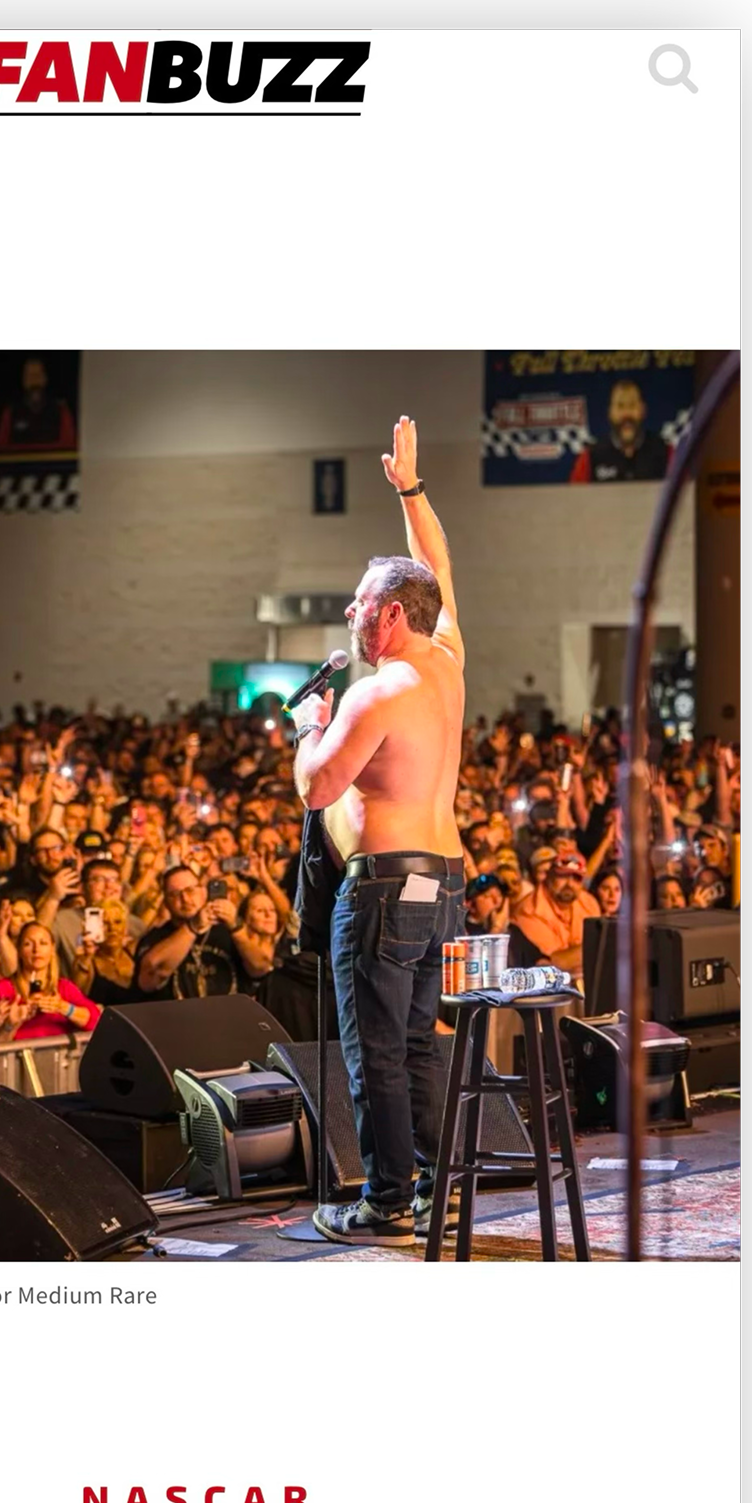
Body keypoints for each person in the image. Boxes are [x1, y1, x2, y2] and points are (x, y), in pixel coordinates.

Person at [291, 415, 466, 1247]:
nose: (351, 612)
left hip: (386, 889)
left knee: (378, 1053)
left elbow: (318, 785)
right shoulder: (446, 662)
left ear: (391, 615)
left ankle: (388, 1202)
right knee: (419, 1046)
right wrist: (411, 492)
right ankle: (434, 1193)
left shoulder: (376, 692)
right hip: (444, 884)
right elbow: (439, 569)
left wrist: (308, 729)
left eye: (361, 603)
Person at [134, 866, 244, 1000]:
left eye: (190, 890)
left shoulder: (228, 931)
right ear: (166, 902)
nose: (185, 899)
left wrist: (236, 927)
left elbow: (260, 966)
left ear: (203, 892)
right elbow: (148, 979)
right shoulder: (155, 938)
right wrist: (192, 928)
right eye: (175, 894)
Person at [0, 922, 100, 1040]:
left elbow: (96, 1021)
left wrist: (63, 1007)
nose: (36, 949)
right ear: (19, 950)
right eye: (28, 944)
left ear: (52, 948)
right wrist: (11, 1024)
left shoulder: (64, 988)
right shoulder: (2, 989)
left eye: (43, 943)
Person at [569, 379, 671, 484]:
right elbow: (575, 494)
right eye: (620, 406)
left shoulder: (665, 453)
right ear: (610, 412)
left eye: (632, 405)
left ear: (643, 410)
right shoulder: (590, 457)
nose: (626, 414)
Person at [513, 853, 599, 973]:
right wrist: (596, 946)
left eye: (576, 878)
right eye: (563, 876)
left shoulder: (589, 903)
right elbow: (552, 963)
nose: (569, 884)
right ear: (549, 876)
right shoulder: (528, 911)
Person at [71, 899, 136, 1005]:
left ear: (125, 927)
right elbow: (74, 997)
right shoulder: (87, 962)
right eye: (104, 923)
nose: (112, 928)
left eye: (117, 922)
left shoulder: (135, 954)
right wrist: (87, 956)